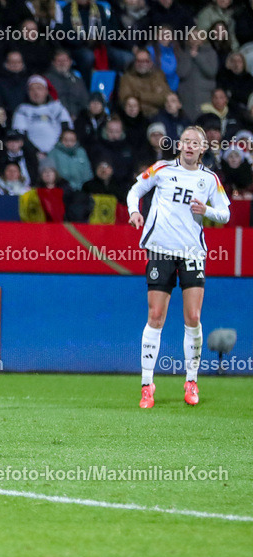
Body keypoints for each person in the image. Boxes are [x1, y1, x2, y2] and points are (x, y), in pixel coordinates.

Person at [126, 126, 230, 408]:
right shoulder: (161, 169)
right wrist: (134, 211)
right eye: (186, 141)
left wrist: (206, 211)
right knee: (155, 315)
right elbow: (135, 190)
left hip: (192, 253)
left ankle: (191, 381)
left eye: (195, 143)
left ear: (203, 148)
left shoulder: (209, 179)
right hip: (160, 249)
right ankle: (147, 385)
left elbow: (225, 213)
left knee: (193, 317)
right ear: (179, 145)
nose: (190, 146)